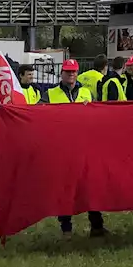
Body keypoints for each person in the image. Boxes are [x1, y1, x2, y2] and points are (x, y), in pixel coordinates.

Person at [47, 60, 106, 236]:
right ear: (62, 73)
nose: (70, 74)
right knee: (64, 188)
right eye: (67, 72)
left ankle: (97, 226)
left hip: (85, 148)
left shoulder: (87, 93)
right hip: (62, 149)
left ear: (77, 73)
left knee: (90, 186)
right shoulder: (50, 94)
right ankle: (66, 227)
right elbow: (35, 114)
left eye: (73, 72)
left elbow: (100, 114)